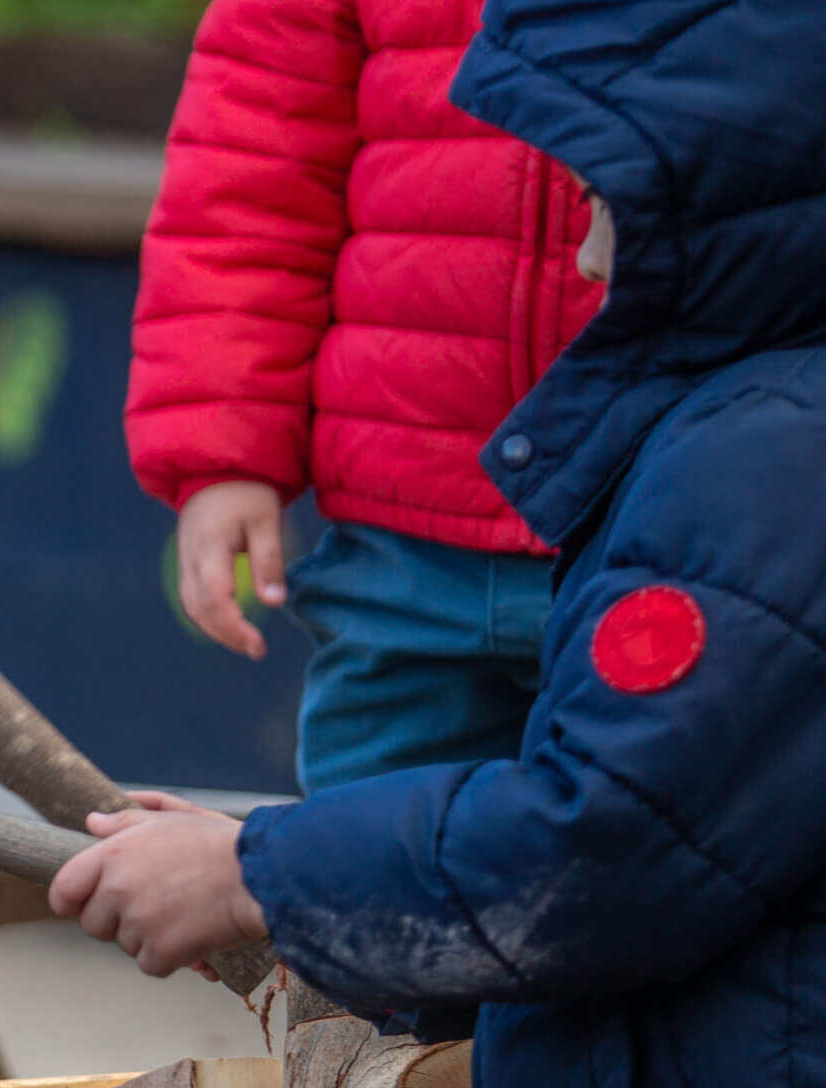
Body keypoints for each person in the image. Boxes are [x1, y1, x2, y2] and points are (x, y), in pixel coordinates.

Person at [55, 0, 826, 1088]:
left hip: (665, 483)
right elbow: (250, 162)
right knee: (401, 900)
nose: (589, 258)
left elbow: (599, 849)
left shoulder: (776, 459)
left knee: (611, 871)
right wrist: (220, 442)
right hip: (408, 496)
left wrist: (251, 870)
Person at [125, 0, 602, 794]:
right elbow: (249, 173)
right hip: (399, 545)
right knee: (360, 875)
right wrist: (222, 451)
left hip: (661, 522)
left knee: (660, 868)